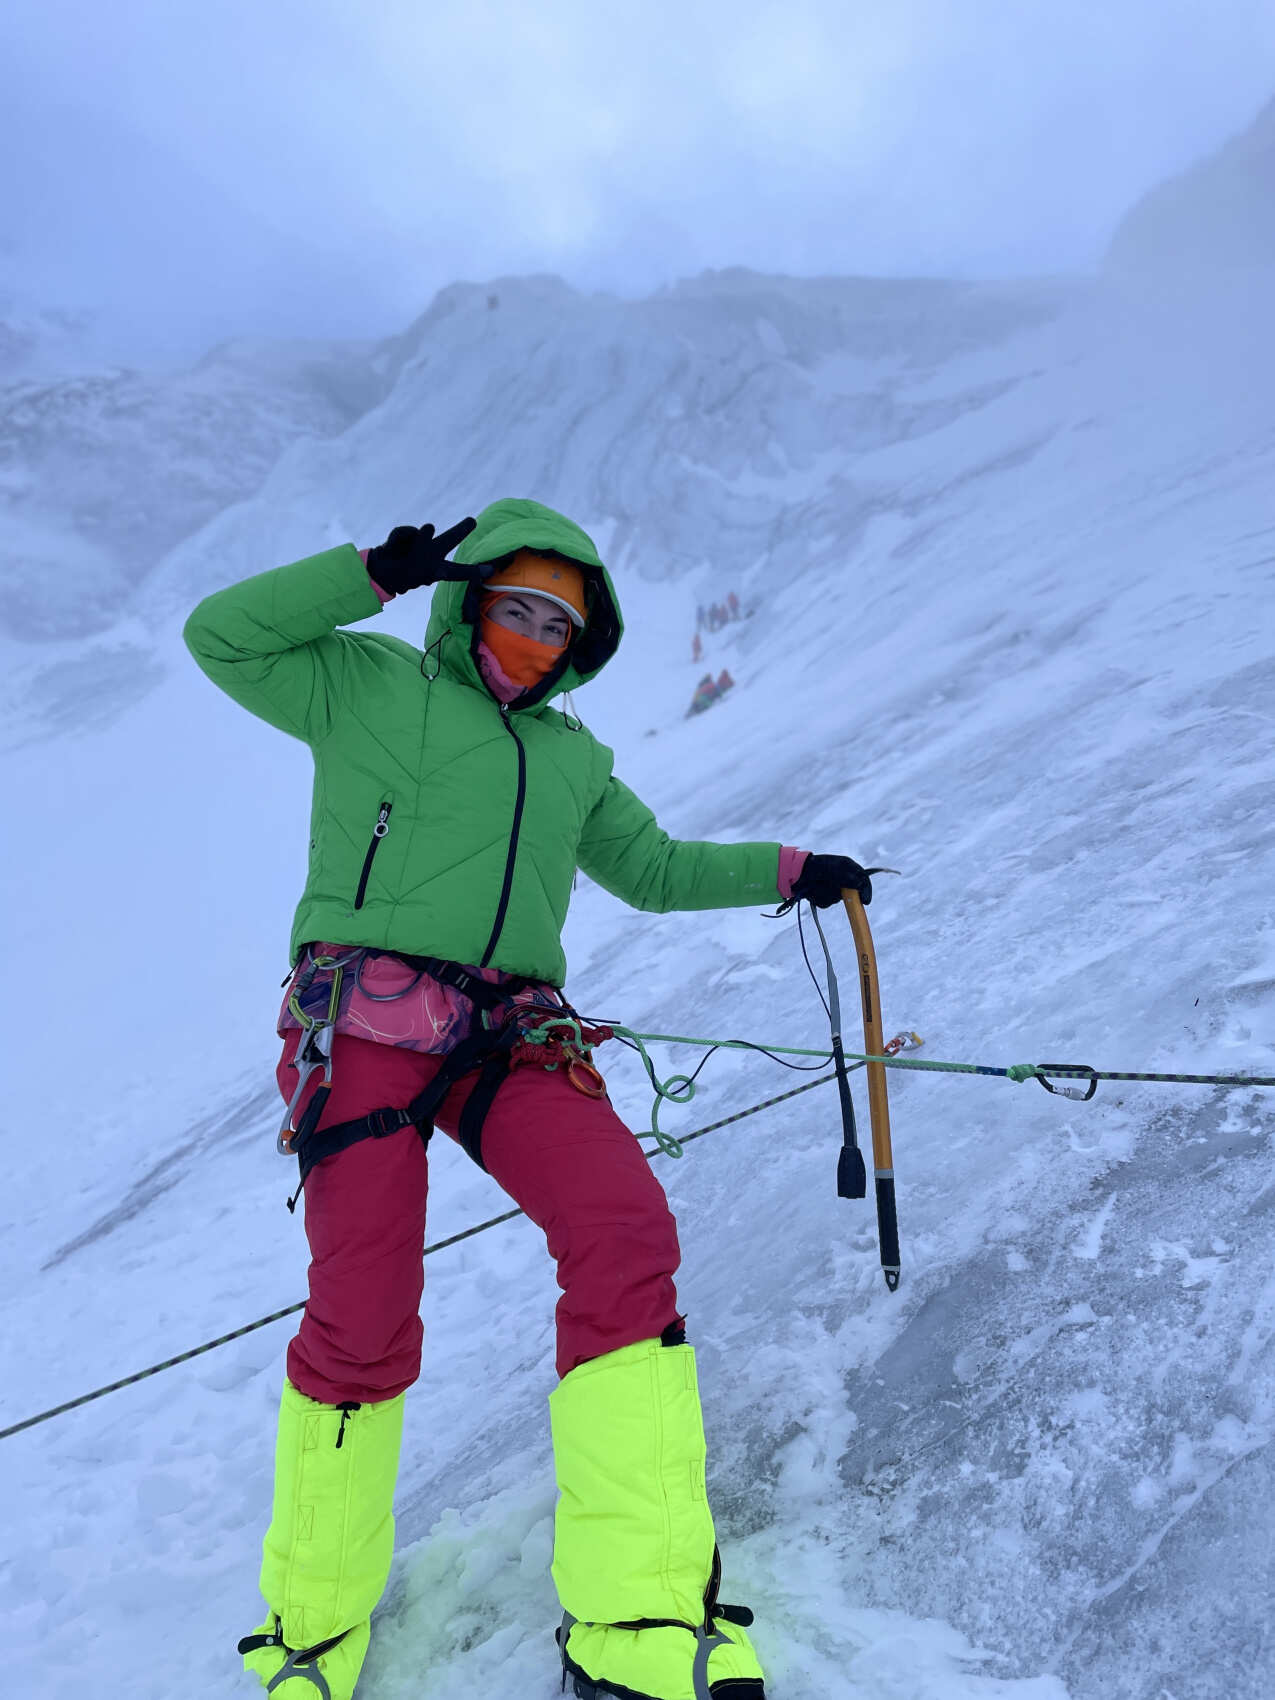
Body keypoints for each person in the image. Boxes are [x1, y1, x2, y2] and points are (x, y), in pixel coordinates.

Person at [183, 497, 872, 1700]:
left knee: (622, 1231)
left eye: (563, 622)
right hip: (369, 1028)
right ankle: (310, 1630)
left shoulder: (570, 758)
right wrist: (367, 576)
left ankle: (641, 1613)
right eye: (519, 606)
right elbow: (221, 635)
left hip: (510, 1034)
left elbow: (653, 870)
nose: (538, 636)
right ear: (472, 597)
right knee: (363, 1307)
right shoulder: (362, 683)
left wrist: (794, 871)